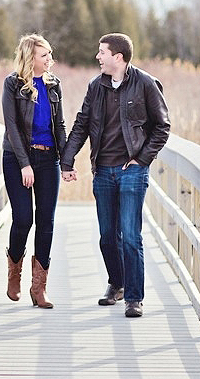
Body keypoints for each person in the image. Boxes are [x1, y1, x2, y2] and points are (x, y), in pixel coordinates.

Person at [61, 33, 170, 318]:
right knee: (108, 236)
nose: (98, 57)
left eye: (102, 52)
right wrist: (67, 160)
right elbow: (82, 124)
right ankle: (117, 284)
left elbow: (162, 127)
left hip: (131, 170)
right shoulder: (96, 86)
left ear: (118, 57)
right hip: (103, 171)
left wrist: (141, 159)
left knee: (131, 236)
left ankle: (134, 297)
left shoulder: (145, 84)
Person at [1, 34, 66, 308]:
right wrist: (25, 163)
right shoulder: (12, 84)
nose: (50, 59)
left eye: (50, 54)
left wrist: (68, 161)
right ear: (31, 58)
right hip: (17, 159)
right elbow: (12, 126)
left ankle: (38, 288)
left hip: (48, 159)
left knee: (46, 222)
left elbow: (60, 126)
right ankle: (14, 273)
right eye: (44, 55)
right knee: (24, 218)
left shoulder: (54, 85)